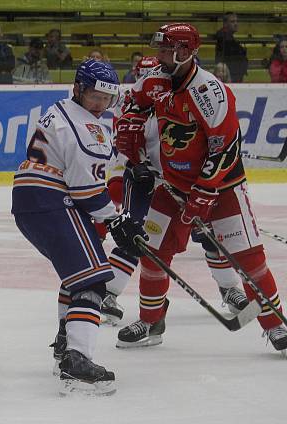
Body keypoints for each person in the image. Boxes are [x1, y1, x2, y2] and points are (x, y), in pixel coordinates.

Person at [114, 23, 287, 352]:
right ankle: (151, 322)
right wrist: (131, 119)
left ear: (184, 51)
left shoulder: (208, 91)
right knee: (152, 254)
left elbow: (225, 147)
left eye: (165, 50)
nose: (159, 55)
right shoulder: (156, 80)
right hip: (172, 186)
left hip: (222, 188)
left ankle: (275, 324)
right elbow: (132, 102)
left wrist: (204, 192)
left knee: (249, 260)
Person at [12, 59, 146, 395]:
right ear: (78, 88)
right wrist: (115, 219)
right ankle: (77, 361)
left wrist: (110, 217)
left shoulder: (59, 110)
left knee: (77, 275)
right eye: (94, 96)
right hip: (52, 201)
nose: (100, 104)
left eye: (106, 98)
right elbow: (85, 187)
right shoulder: (90, 128)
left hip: (31, 200)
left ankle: (64, 344)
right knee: (94, 282)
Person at [101, 55, 248, 327]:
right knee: (135, 235)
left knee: (209, 235)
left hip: (183, 181)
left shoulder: (185, 96)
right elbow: (122, 143)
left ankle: (229, 289)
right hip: (146, 178)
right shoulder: (131, 104)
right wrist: (135, 164)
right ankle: (108, 293)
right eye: (144, 76)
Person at [214, 12, 247, 82]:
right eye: (232, 21)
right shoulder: (223, 38)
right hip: (230, 76)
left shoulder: (228, 37)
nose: (236, 24)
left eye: (236, 21)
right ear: (225, 24)